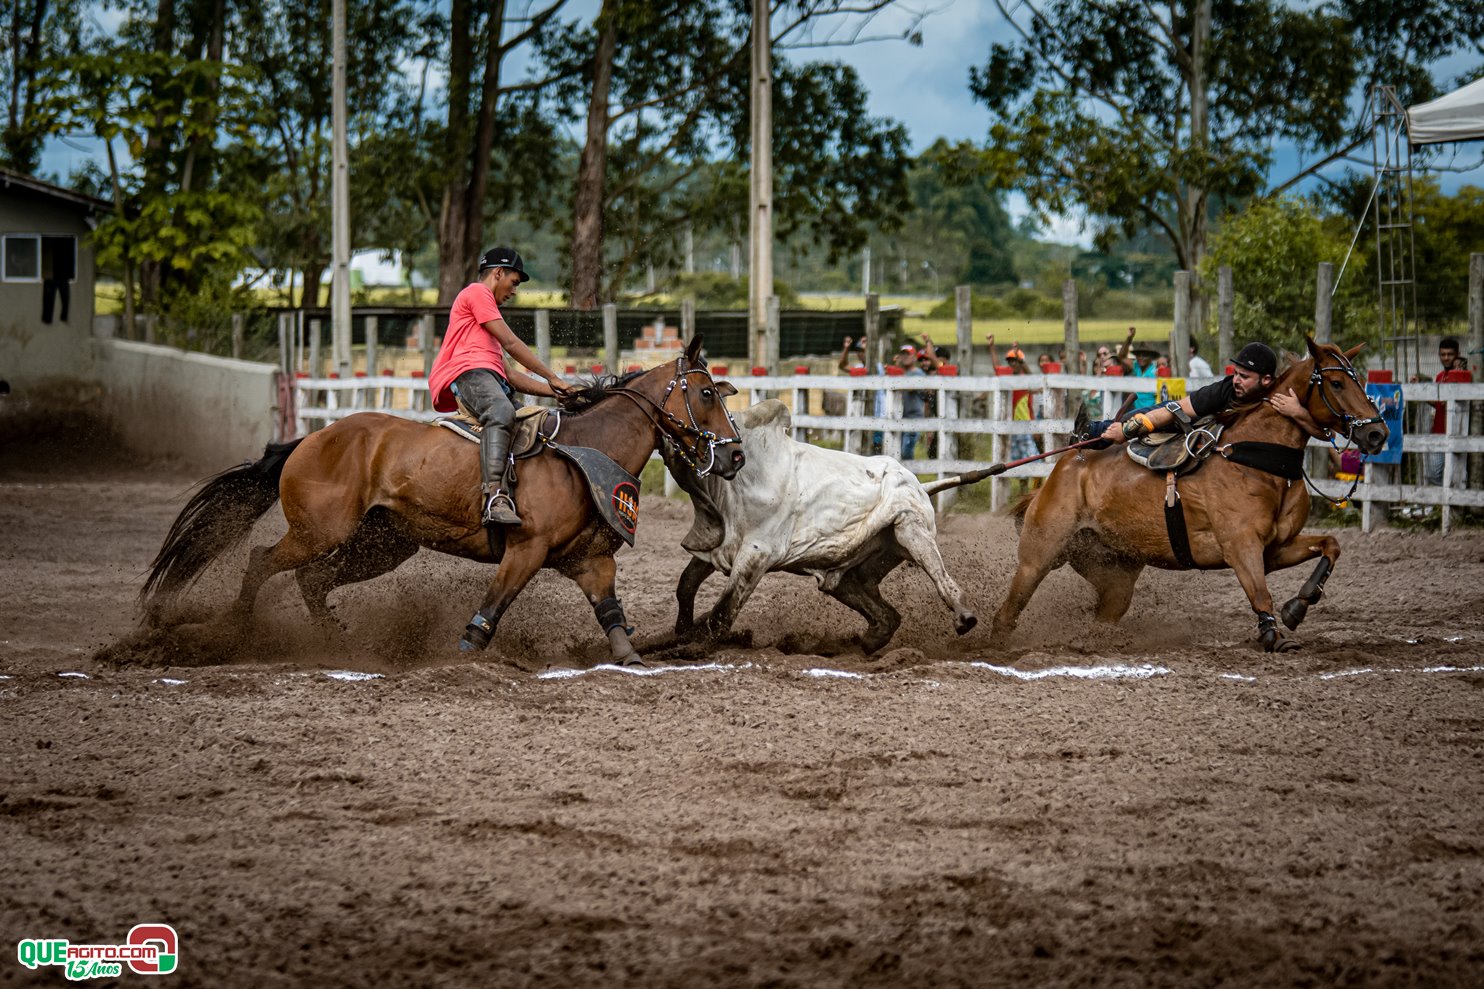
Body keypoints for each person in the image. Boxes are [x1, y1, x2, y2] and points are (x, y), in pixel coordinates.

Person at [428, 247, 576, 526]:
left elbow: (510, 375)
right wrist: (552, 376)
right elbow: (512, 344)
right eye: (514, 282)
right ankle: (494, 497)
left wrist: (557, 392)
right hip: (470, 375)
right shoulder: (476, 293)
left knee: (536, 424)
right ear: (498, 273)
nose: (515, 291)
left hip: (489, 378)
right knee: (502, 412)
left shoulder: (486, 323)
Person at [1083, 341, 1328, 446]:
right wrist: (1125, 431)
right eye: (1236, 373)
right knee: (1142, 416)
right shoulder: (1225, 389)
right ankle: (1092, 433)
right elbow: (1174, 410)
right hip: (1196, 428)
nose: (1237, 380)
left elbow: (1324, 434)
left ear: (1266, 380)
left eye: (1245, 376)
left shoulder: (1279, 398)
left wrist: (1298, 412)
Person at [1425, 336, 1469, 486]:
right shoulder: (1439, 376)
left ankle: (1455, 504)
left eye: (1450, 354)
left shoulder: (1464, 375)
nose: (1446, 358)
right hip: (1438, 432)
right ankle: (1448, 499)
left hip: (1458, 433)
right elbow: (1438, 404)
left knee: (1458, 473)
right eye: (1443, 354)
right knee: (1433, 472)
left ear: (1457, 354)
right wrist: (1421, 390)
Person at [896, 343, 928, 460]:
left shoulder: (918, 373)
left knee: (906, 451)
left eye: (908, 355)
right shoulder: (900, 373)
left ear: (914, 357)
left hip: (914, 417)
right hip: (899, 417)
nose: (904, 357)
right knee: (897, 450)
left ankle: (910, 475)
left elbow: (909, 387)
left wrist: (897, 371)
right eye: (902, 354)